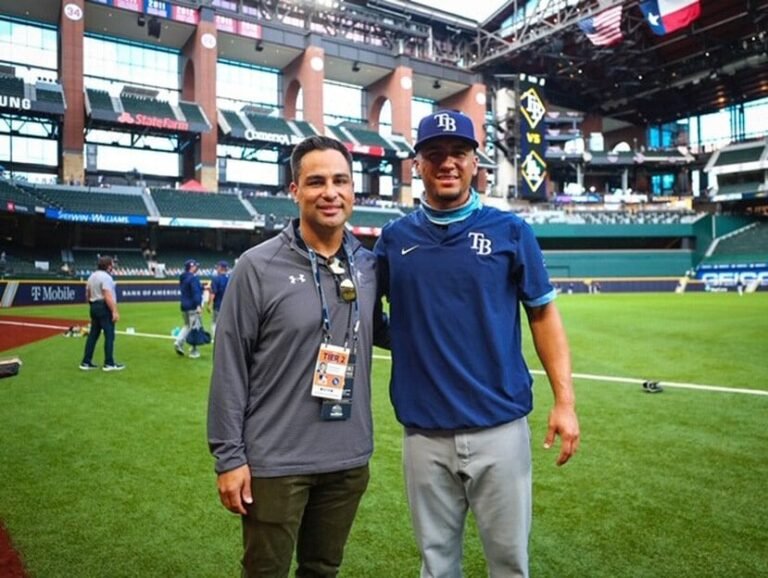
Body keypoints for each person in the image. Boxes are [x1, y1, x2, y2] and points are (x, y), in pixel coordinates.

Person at [374, 109, 580, 578]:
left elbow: (543, 314)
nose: (447, 163)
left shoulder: (511, 231)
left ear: (475, 163)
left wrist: (564, 401)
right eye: (435, 155)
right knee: (437, 564)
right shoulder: (393, 239)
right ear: (418, 166)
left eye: (458, 154)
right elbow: (369, 319)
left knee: (509, 563)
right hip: (424, 431)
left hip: (500, 427)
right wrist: (410, 340)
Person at [207, 135, 389, 578]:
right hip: (276, 461)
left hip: (347, 458)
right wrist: (229, 458)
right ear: (295, 191)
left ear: (354, 190)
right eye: (316, 182)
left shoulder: (368, 266)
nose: (330, 192)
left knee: (323, 569)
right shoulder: (257, 266)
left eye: (341, 181)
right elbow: (229, 364)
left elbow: (395, 332)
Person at [80, 255, 124, 371]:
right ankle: (109, 363)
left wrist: (93, 305)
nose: (113, 266)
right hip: (104, 306)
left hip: (94, 306)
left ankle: (86, 362)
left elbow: (87, 295)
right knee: (109, 335)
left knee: (93, 335)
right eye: (112, 264)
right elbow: (107, 295)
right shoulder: (106, 277)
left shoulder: (92, 276)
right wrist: (114, 311)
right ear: (108, 266)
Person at [174, 258, 204, 359]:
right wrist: (198, 305)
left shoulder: (183, 277)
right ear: (191, 267)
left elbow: (191, 288)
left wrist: (202, 288)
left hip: (184, 305)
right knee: (195, 328)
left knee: (187, 326)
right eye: (195, 266)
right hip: (192, 306)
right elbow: (195, 292)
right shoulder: (194, 278)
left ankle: (179, 342)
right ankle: (194, 351)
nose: (197, 267)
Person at [207, 260, 230, 335]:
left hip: (218, 305)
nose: (216, 269)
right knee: (227, 324)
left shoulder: (216, 279)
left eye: (218, 267)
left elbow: (213, 293)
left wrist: (209, 304)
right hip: (228, 306)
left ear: (221, 268)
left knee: (215, 323)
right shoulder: (231, 278)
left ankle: (217, 341)